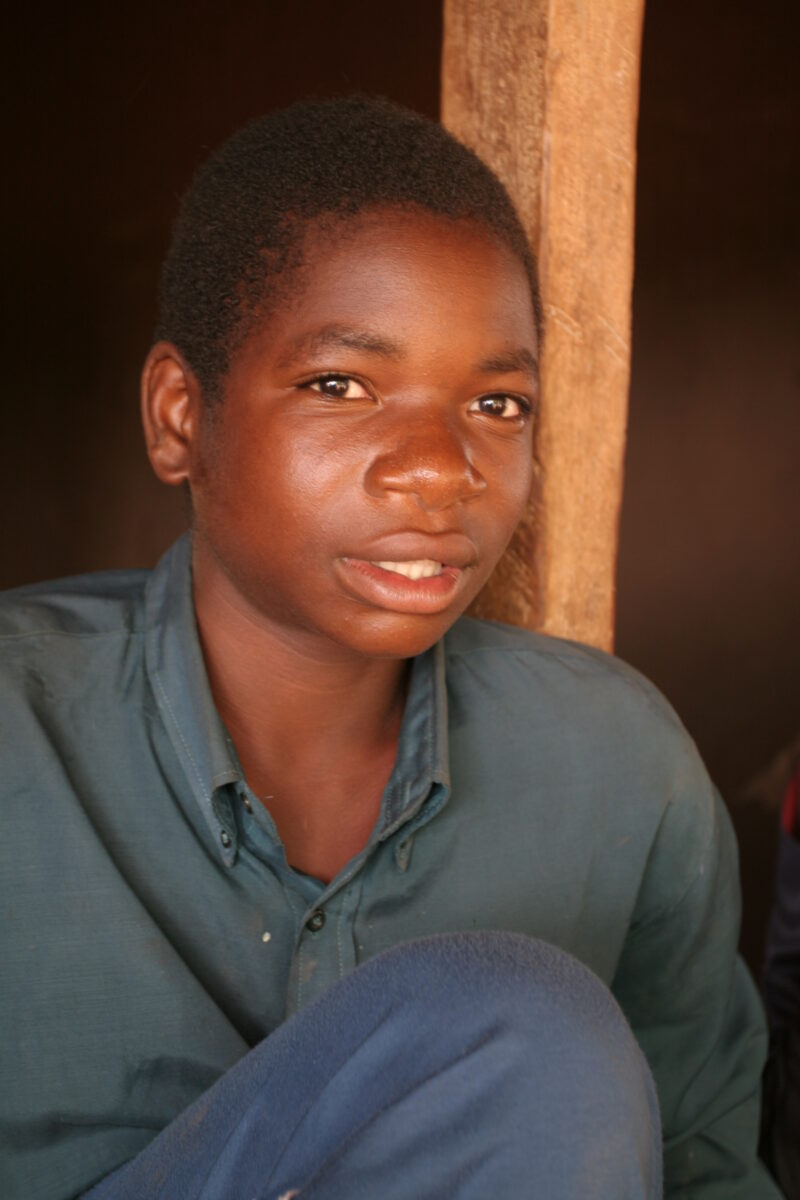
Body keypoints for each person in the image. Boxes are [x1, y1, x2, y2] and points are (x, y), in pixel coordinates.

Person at [0, 97, 779, 1198]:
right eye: (340, 386)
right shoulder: (20, 732)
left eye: (497, 404)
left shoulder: (617, 767)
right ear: (180, 416)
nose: (440, 468)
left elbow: (701, 1170)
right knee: (524, 1038)